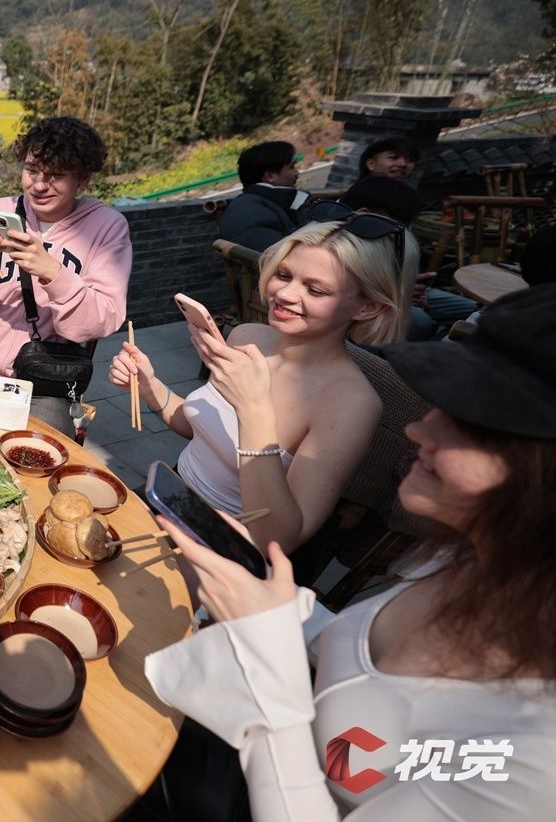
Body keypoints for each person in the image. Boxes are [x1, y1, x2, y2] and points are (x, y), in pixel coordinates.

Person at [144, 284, 556, 820]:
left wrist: (265, 651)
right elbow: (353, 654)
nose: (418, 429)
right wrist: (275, 602)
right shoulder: (459, 561)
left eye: (467, 422)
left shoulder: (532, 753)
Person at [110, 215, 409, 554]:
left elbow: (281, 538)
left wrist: (252, 409)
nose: (284, 293)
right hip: (165, 497)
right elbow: (203, 431)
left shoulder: (351, 404)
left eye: (315, 290)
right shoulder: (247, 336)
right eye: (284, 274)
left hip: (224, 546)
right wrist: (149, 386)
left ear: (368, 308)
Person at [0, 116, 131, 435]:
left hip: (47, 382)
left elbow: (105, 318)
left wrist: (54, 274)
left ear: (83, 179)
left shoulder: (106, 228)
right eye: (31, 170)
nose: (39, 185)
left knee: (39, 452)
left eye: (55, 175)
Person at [338, 176, 476, 340]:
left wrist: (410, 287)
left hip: (400, 290)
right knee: (419, 322)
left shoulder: (378, 231)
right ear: (364, 214)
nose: (401, 231)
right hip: (377, 295)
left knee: (474, 311)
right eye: (398, 225)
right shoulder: (334, 239)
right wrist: (399, 293)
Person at [217, 140, 309, 252]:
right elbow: (286, 256)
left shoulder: (265, 205)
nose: (297, 173)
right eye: (292, 167)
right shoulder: (249, 214)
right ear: (270, 176)